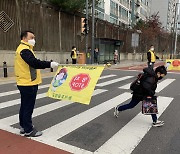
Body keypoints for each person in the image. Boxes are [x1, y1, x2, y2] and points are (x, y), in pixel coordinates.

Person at [14, 30, 59, 137]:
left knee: (24, 106)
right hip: (28, 83)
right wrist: (50, 64)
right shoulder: (24, 50)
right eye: (31, 37)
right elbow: (34, 62)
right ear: (24, 38)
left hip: (25, 82)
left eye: (34, 38)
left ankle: (23, 126)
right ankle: (29, 130)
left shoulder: (24, 49)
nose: (33, 40)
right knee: (28, 107)